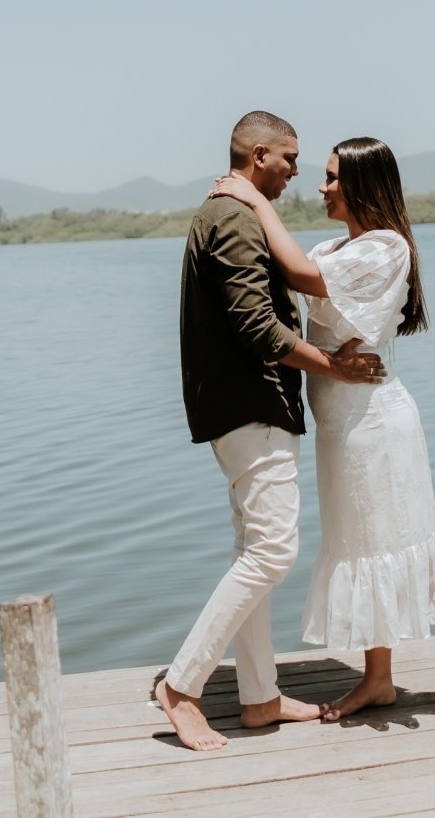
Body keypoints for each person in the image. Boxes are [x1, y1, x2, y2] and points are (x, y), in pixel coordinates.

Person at [212, 136, 435, 720]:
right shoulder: (335, 247)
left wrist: (253, 197)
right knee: (363, 542)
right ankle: (378, 679)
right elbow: (289, 273)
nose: (321, 187)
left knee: (412, 535)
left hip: (377, 423)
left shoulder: (386, 247)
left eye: (332, 178)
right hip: (338, 427)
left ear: (363, 185)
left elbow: (300, 275)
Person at [156, 112, 387, 751]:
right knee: (273, 552)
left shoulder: (233, 210)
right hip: (249, 405)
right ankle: (181, 686)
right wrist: (333, 366)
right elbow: (257, 326)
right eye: (289, 159)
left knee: (253, 549)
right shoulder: (233, 217)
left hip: (241, 407)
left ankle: (259, 697)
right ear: (260, 155)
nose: (297, 173)